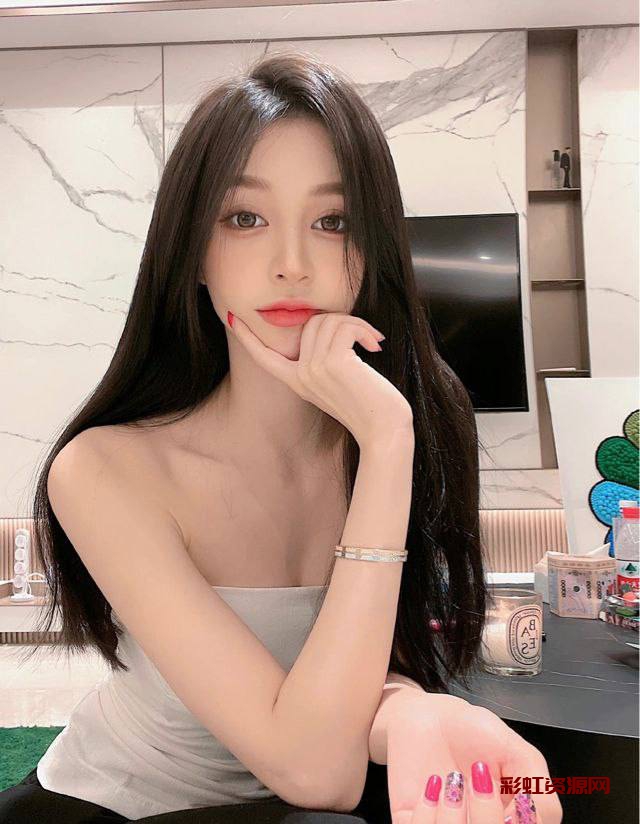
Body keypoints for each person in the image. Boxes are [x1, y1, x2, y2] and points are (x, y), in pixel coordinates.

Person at [0, 51, 561, 824]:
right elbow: (316, 773)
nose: (292, 265)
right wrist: (387, 439)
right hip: (116, 807)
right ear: (194, 252)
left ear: (370, 251)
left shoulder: (413, 424)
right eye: (245, 218)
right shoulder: (103, 469)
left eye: (333, 222)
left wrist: (404, 707)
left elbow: (362, 669)